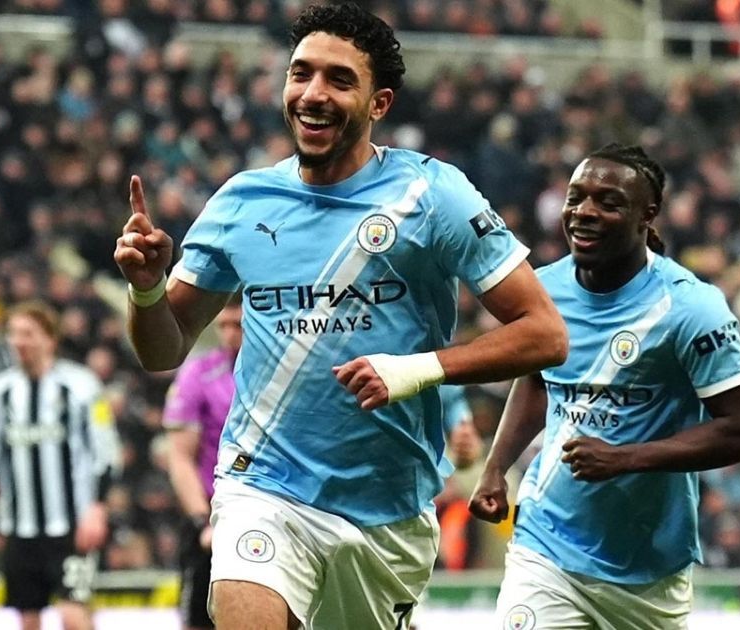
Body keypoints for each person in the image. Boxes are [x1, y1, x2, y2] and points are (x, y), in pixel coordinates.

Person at [114, 4, 568, 629]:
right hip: (262, 486)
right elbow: (162, 350)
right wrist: (146, 290)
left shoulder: (432, 195)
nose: (313, 94)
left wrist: (413, 371)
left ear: (379, 104)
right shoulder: (242, 202)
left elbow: (545, 334)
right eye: (301, 73)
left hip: (387, 510)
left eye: (339, 79)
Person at [470, 144, 740, 629]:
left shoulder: (691, 308)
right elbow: (539, 381)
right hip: (546, 547)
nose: (584, 212)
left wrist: (624, 458)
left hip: (648, 569)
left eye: (608, 202)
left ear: (647, 215)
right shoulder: (543, 291)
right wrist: (496, 466)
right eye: (575, 198)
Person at [0, 300, 120, 630]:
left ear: (50, 339)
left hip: (72, 526)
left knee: (73, 614)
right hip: (20, 529)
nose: (19, 341)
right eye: (13, 334)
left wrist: (97, 508)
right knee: (28, 618)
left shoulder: (82, 386)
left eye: (28, 333)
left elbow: (106, 453)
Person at [163, 298, 242, 630]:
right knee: (198, 618)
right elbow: (180, 456)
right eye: (223, 325)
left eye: (238, 326)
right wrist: (200, 520)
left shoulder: (281, 374)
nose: (229, 334)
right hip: (211, 512)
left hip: (270, 506)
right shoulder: (199, 373)